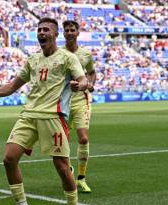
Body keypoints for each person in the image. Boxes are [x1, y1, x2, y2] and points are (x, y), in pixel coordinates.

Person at [0, 17, 88, 205]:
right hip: (29, 115)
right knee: (9, 159)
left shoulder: (68, 58)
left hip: (53, 116)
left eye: (46, 29)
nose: (41, 33)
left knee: (62, 167)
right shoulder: (33, 59)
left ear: (55, 34)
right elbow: (13, 85)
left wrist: (80, 85)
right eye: (39, 30)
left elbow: (83, 79)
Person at [63, 20, 96, 193]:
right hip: (63, 102)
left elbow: (91, 72)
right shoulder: (58, 54)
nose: (69, 32)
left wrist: (90, 84)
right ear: (63, 33)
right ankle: (68, 168)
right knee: (64, 142)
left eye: (72, 30)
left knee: (83, 138)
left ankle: (81, 178)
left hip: (81, 100)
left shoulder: (85, 54)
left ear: (77, 32)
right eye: (66, 30)